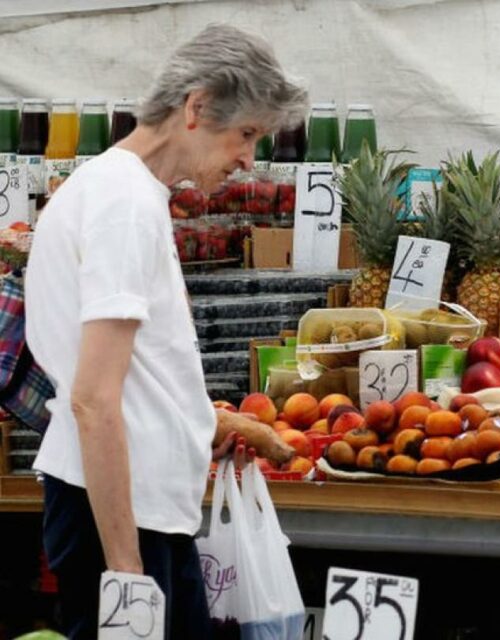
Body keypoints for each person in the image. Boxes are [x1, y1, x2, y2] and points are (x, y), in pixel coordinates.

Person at [24, 24, 309, 639]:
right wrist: (128, 577)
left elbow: (130, 380)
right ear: (197, 107)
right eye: (247, 134)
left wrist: (196, 428)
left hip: (130, 509)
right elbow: (94, 399)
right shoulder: (125, 205)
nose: (248, 159)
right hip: (125, 525)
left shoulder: (117, 190)